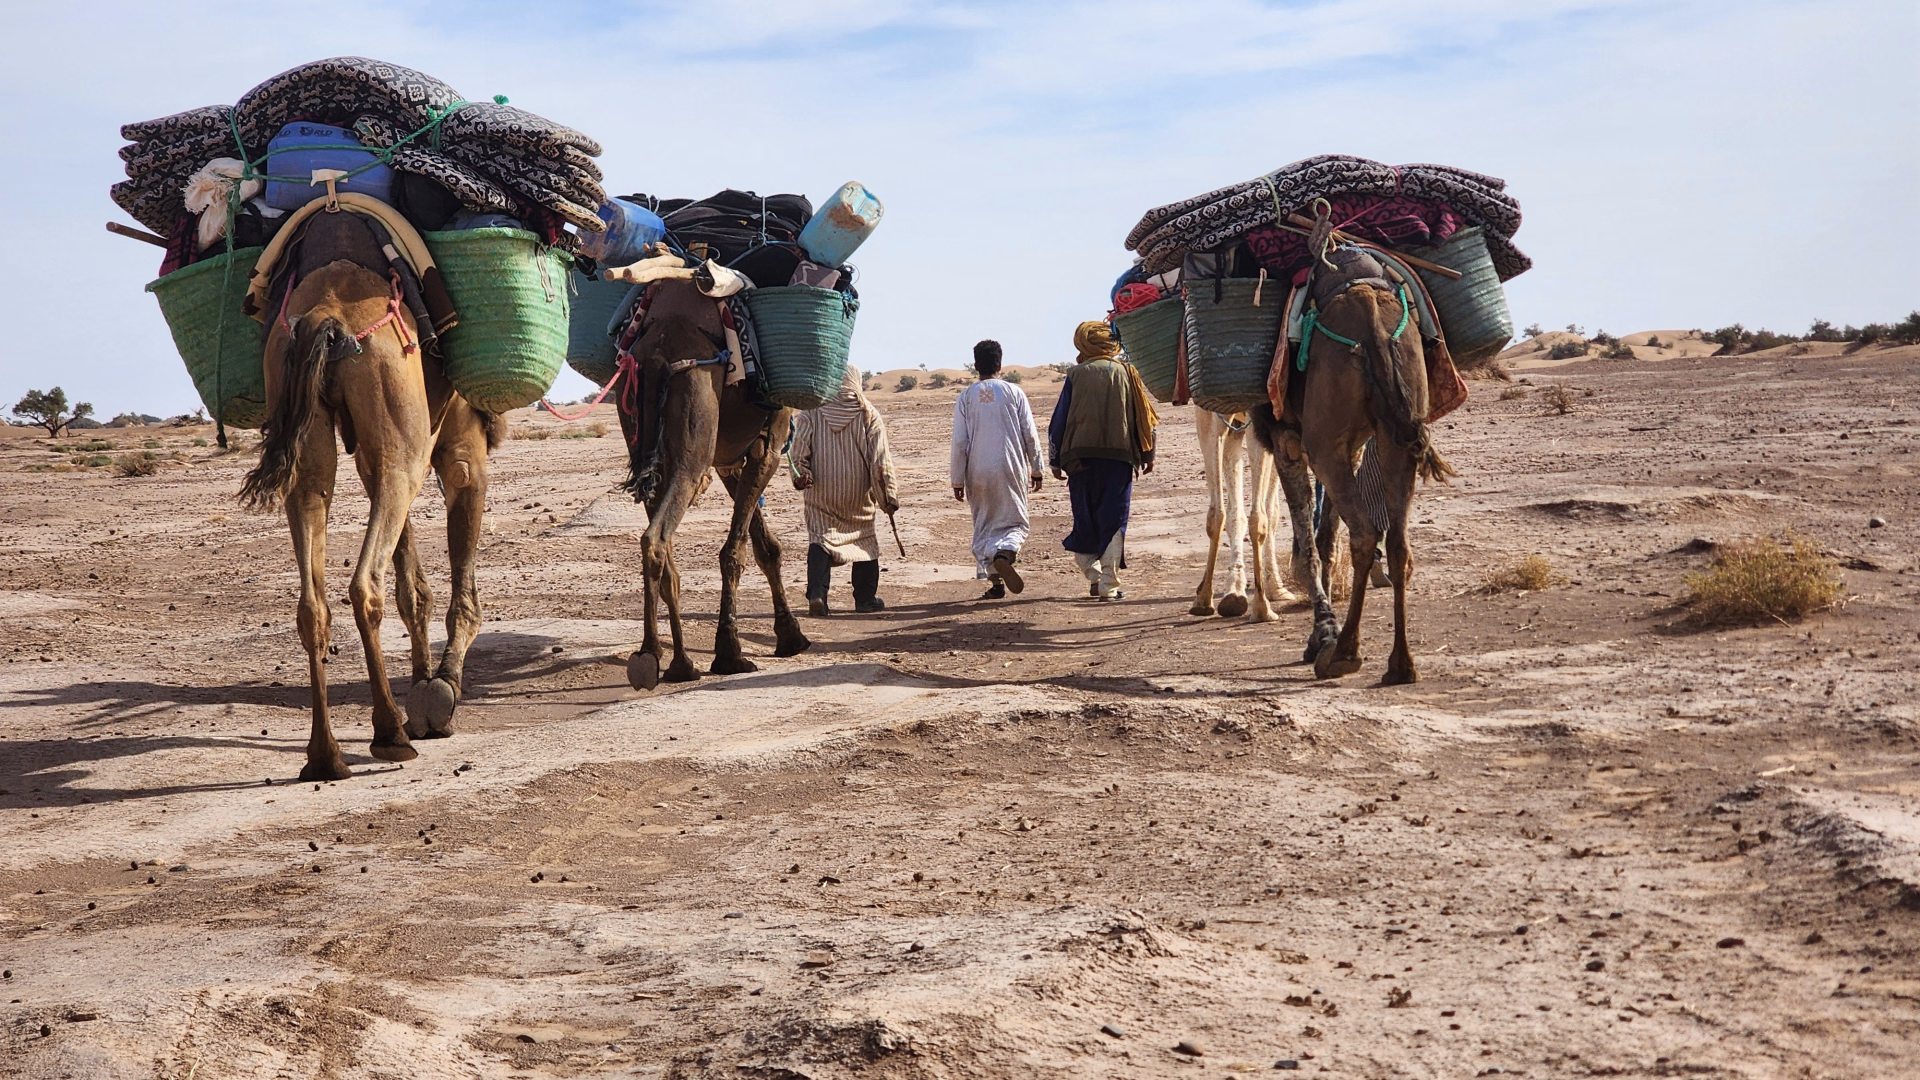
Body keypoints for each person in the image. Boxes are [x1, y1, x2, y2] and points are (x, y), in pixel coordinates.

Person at [1048, 320, 1158, 601]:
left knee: (1084, 517)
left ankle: (1094, 575)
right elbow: (1144, 417)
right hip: (1119, 458)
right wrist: (1148, 453)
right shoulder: (1126, 372)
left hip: (1078, 459)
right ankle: (1109, 585)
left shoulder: (1075, 374)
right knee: (1114, 518)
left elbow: (1059, 420)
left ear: (1083, 343)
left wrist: (1055, 460)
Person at [790, 365, 900, 615]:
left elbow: (798, 453)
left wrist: (801, 476)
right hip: (858, 494)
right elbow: (880, 462)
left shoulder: (810, 411)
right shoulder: (869, 414)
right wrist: (888, 497)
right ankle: (865, 599)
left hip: (821, 491)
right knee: (864, 539)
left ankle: (817, 594)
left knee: (820, 538)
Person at [950, 340, 1044, 599]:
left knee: (983, 524)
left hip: (976, 469)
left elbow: (960, 441)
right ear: (1000, 364)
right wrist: (1037, 468)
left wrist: (957, 479)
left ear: (976, 365)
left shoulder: (966, 396)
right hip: (1010, 466)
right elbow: (1030, 435)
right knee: (1015, 520)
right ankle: (1006, 553)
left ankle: (995, 583)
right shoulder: (1014, 393)